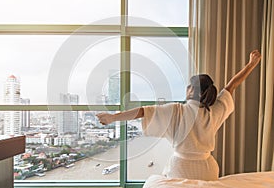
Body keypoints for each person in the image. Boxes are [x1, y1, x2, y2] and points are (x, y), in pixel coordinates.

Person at [96, 50, 262, 181]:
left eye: (189, 85)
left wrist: (113, 117)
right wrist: (251, 64)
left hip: (181, 168)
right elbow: (231, 86)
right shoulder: (215, 111)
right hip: (208, 169)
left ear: (191, 90)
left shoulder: (176, 110)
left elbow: (142, 112)